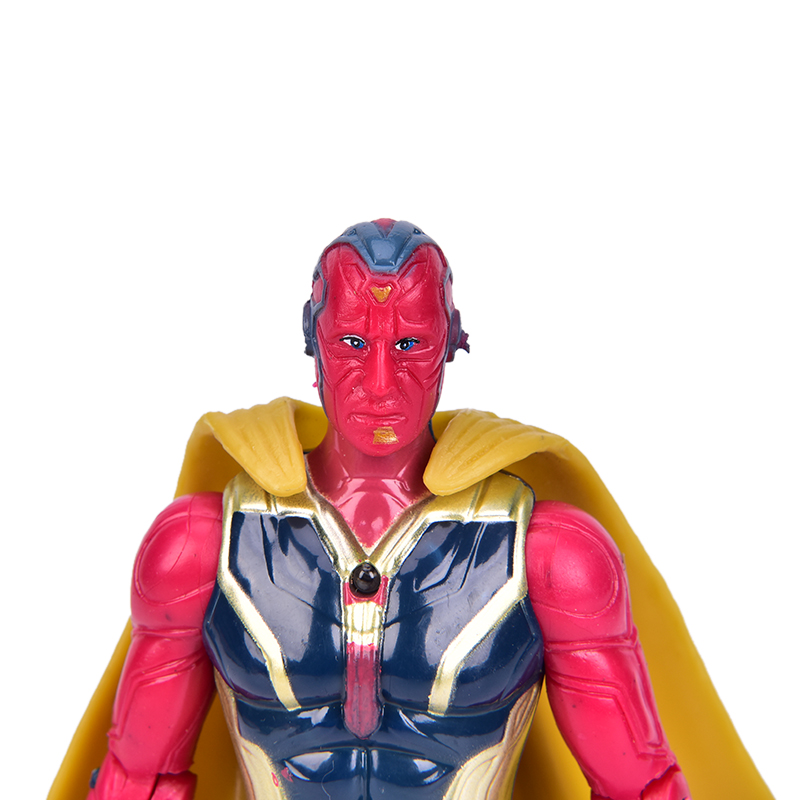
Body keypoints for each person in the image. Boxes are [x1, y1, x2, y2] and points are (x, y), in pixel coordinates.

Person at [51, 221, 770, 800]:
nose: (381, 382)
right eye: (353, 343)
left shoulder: (550, 556)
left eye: (409, 345)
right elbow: (137, 778)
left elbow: (639, 785)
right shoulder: (201, 546)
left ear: (451, 343)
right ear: (313, 340)